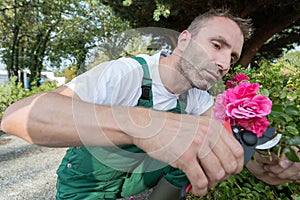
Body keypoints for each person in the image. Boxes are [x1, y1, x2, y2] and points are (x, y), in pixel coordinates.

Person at [1, 8, 298, 200]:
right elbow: (18, 117)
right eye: (216, 45)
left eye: (231, 57)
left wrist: (274, 164)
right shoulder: (126, 73)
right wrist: (145, 124)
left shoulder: (199, 100)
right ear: (184, 41)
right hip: (85, 190)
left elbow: (235, 147)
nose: (222, 63)